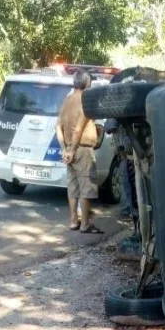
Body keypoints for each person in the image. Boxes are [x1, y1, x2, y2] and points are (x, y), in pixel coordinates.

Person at [55, 70, 103, 234]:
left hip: (69, 148)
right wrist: (73, 150)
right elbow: (78, 129)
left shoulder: (67, 100)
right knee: (86, 186)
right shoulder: (85, 100)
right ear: (87, 83)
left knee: (73, 187)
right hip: (81, 149)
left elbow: (57, 127)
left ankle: (74, 220)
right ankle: (85, 224)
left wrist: (65, 150)